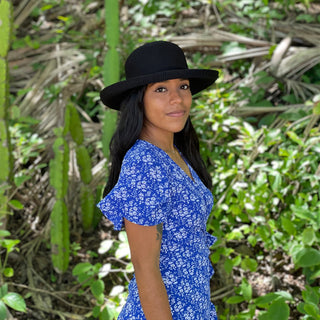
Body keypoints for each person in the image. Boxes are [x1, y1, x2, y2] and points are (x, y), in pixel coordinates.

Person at [97, 40, 219, 320]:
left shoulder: (176, 153)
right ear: (139, 99)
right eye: (161, 89)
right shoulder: (144, 162)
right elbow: (145, 267)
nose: (176, 99)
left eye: (183, 86)